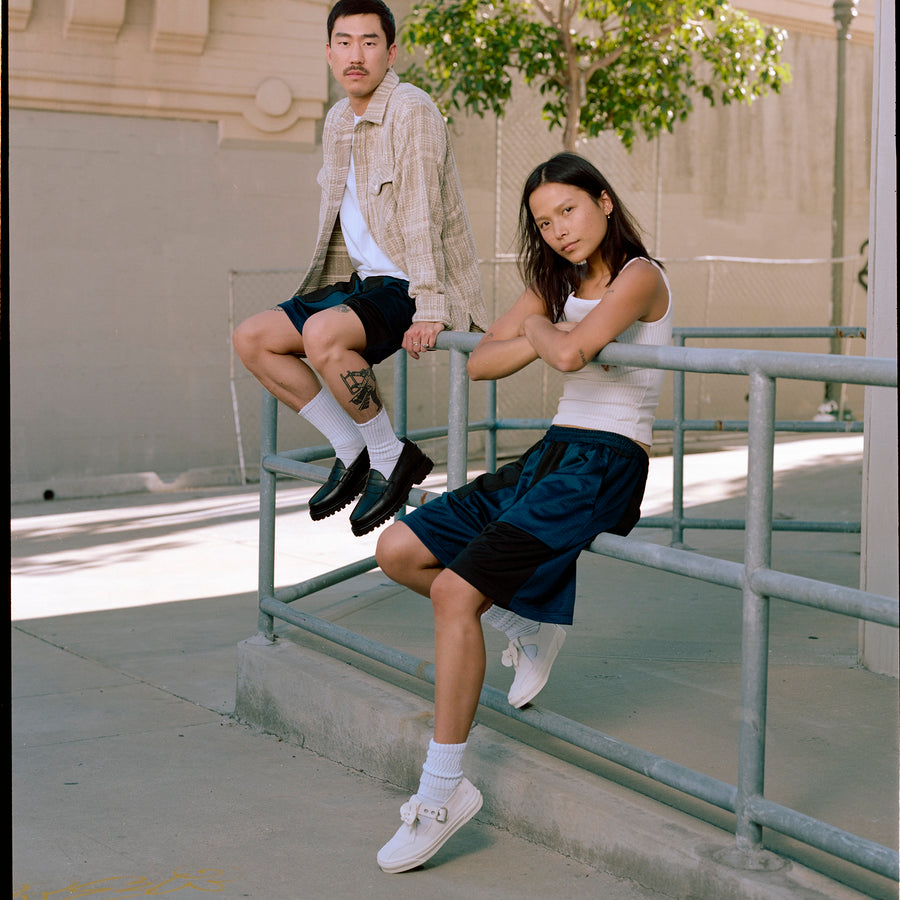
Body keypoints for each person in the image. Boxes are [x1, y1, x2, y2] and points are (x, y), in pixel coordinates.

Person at [373, 152, 674, 873]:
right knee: (399, 550)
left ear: (603, 201)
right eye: (544, 223)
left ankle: (443, 793)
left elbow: (569, 356)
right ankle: (525, 622)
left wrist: (542, 335)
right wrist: (551, 334)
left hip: (607, 463)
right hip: (555, 452)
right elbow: (480, 361)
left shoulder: (641, 275)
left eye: (568, 210)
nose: (559, 230)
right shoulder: (555, 283)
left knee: (453, 591)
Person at [232, 0, 487, 537]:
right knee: (252, 338)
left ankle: (391, 455)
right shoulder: (337, 119)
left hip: (413, 282)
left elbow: (422, 214)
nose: (356, 54)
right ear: (328, 53)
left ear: (390, 52)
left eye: (369, 42)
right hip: (365, 283)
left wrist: (432, 306)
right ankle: (353, 449)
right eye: (344, 42)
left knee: (324, 334)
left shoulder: (411, 109)